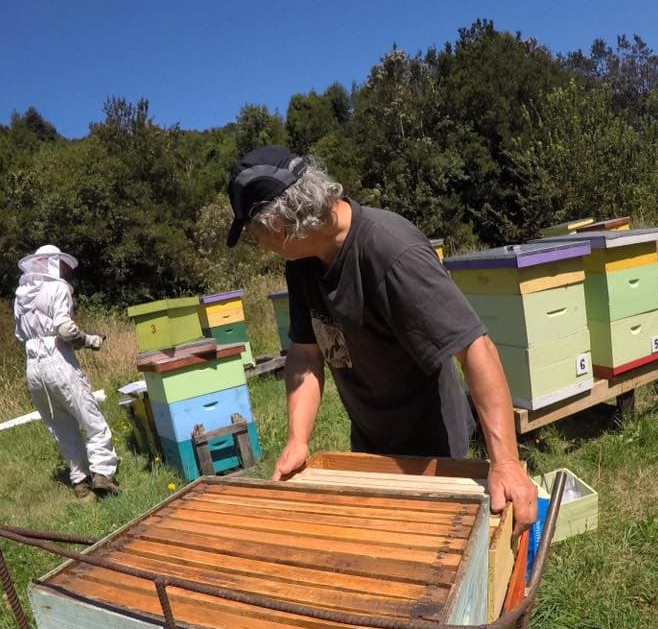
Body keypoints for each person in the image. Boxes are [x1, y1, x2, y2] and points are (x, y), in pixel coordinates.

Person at [226, 147, 537, 533]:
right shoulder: (302, 266)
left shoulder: (392, 250)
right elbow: (306, 353)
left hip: (433, 450)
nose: (261, 246)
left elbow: (475, 347)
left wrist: (505, 463)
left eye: (255, 235)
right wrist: (297, 439)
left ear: (278, 226)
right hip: (370, 444)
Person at [13, 244, 119, 501]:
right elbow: (64, 329)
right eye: (59, 264)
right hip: (57, 360)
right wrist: (91, 340)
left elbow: (20, 335)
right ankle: (102, 474)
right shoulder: (57, 288)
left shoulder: (21, 295)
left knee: (61, 426)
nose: (63, 270)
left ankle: (80, 482)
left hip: (33, 367)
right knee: (91, 419)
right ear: (49, 263)